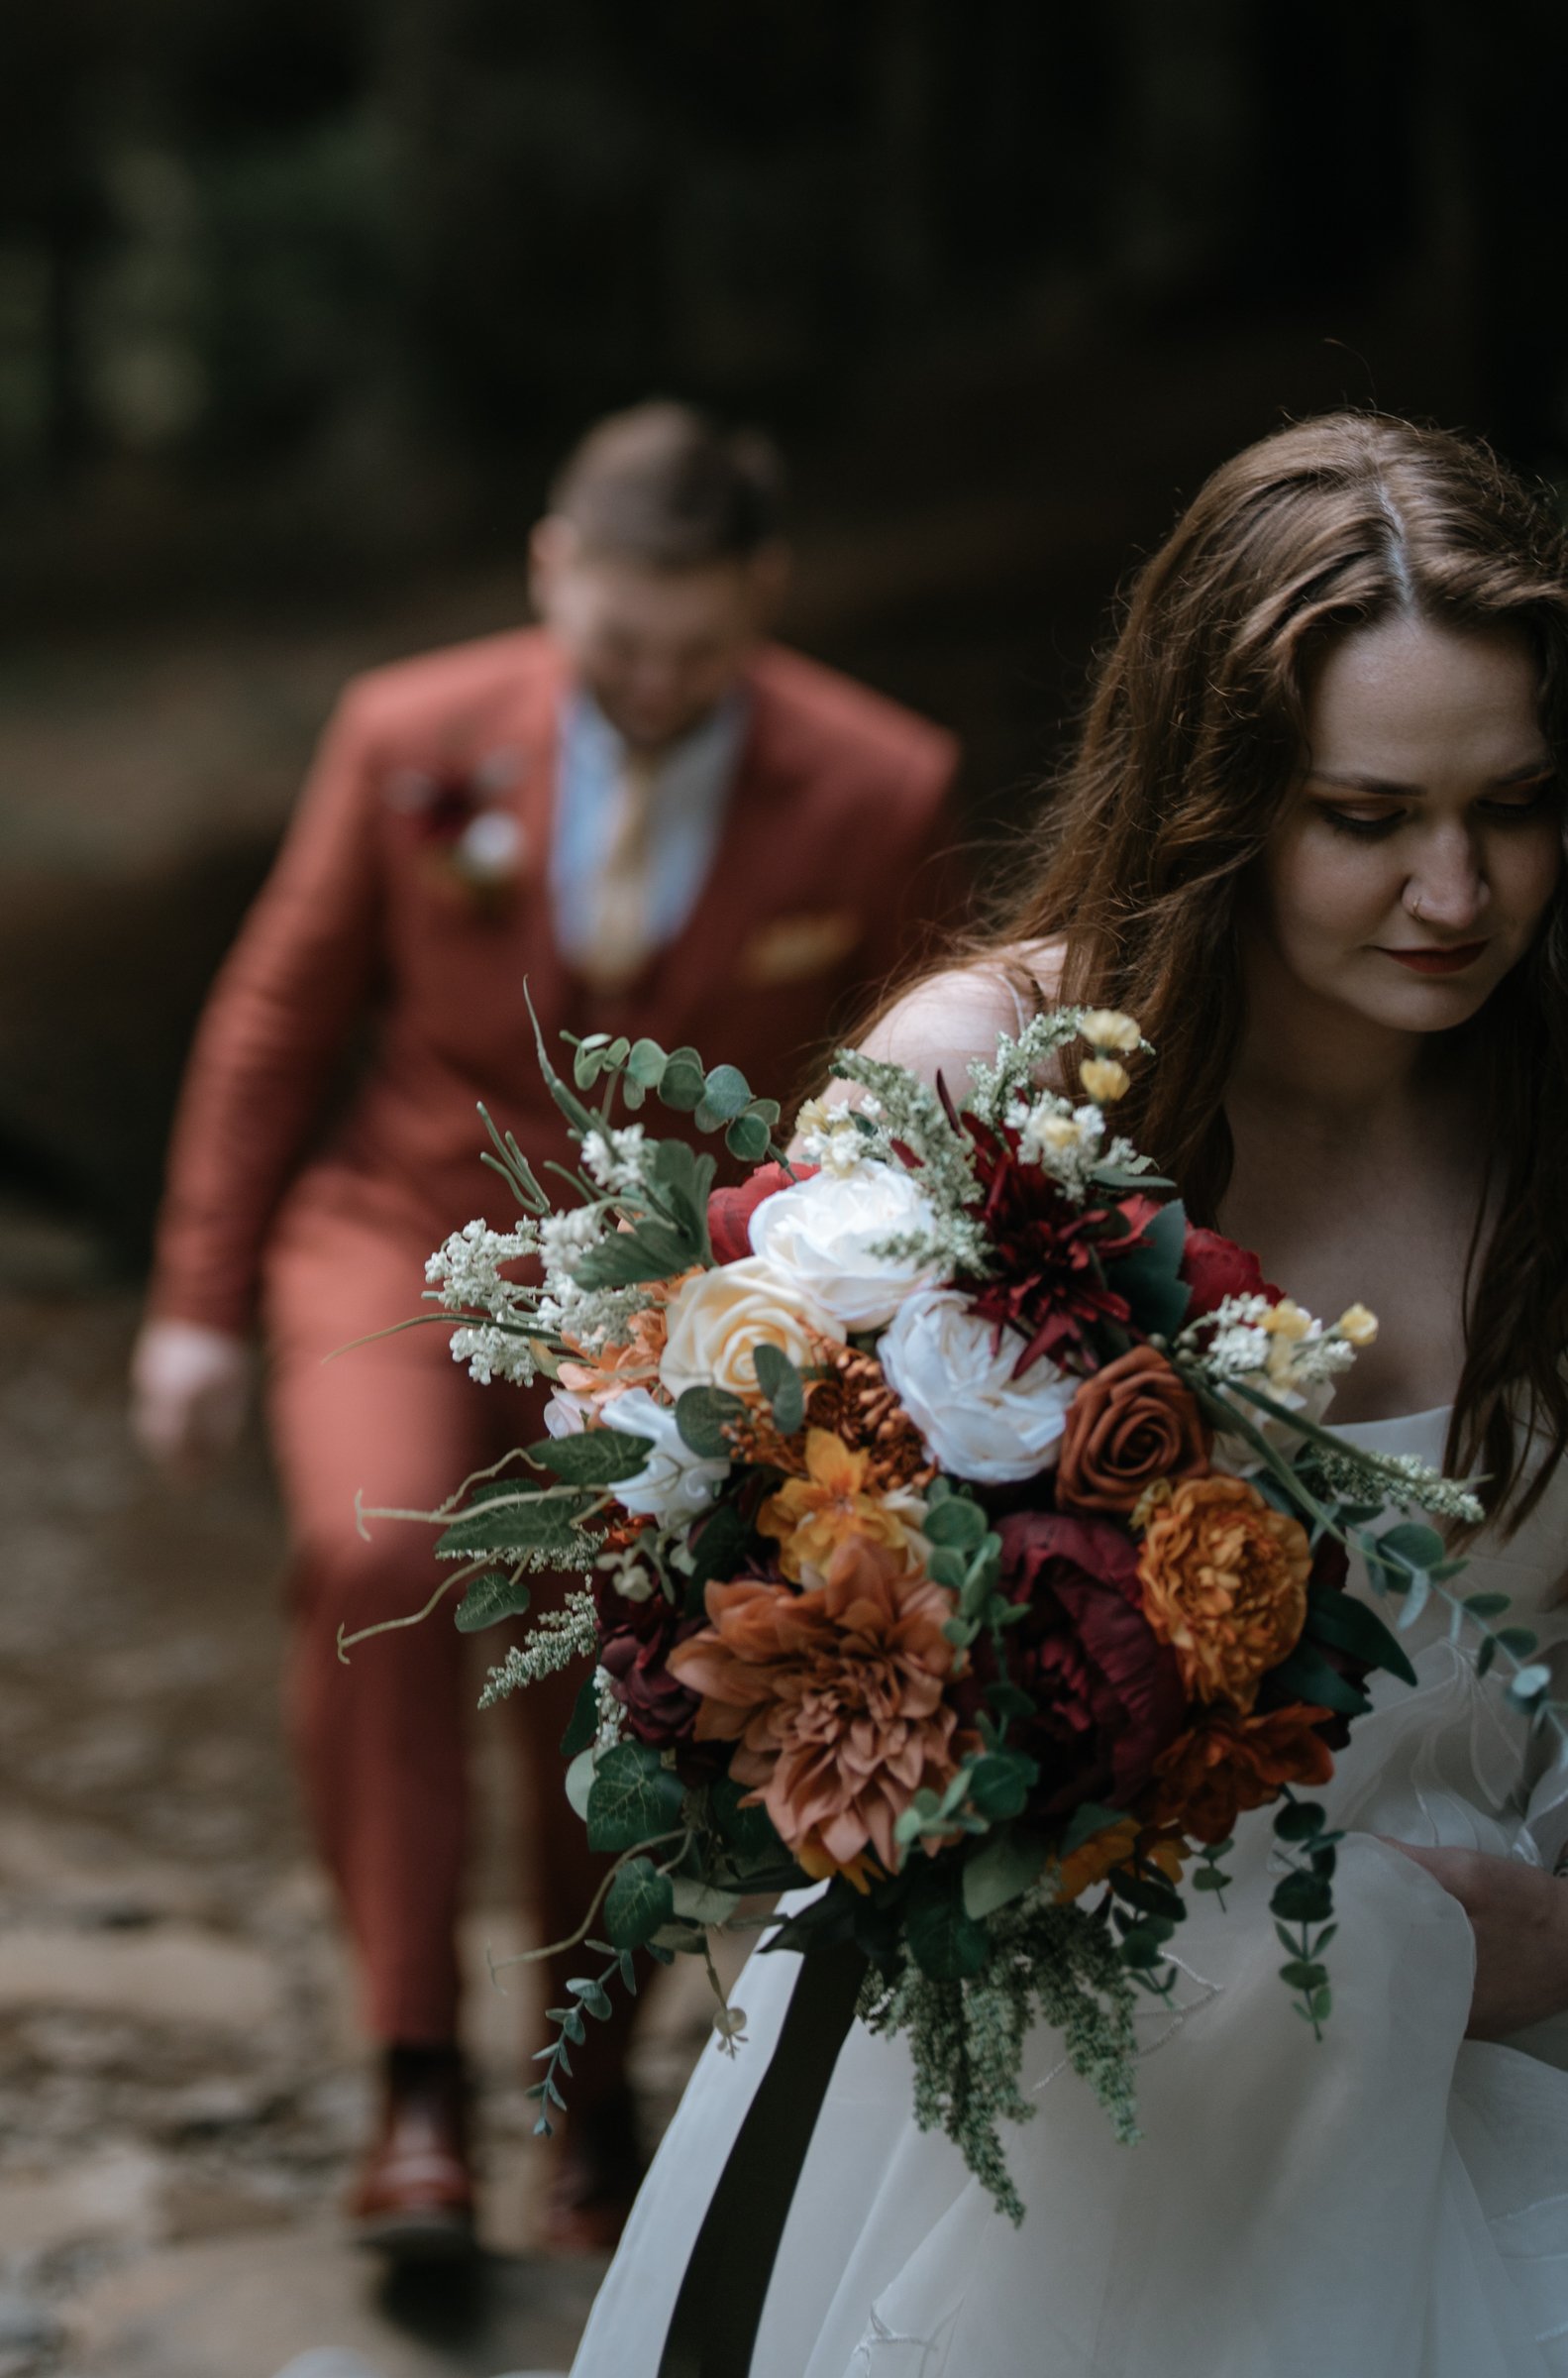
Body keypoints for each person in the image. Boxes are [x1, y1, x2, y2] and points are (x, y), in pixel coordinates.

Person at [568, 411, 1568, 2377]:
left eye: (1518, 807)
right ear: (1221, 797)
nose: (1456, 892)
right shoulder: (987, 1088)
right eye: (1369, 819)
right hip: (1035, 2063)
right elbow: (768, 1598)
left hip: (1499, 2035)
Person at [128, 400, 962, 2259]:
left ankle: (589, 2098)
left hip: (693, 1280)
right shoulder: (405, 736)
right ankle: (413, 2077)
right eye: (615, 641)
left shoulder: (883, 783)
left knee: (637, 1656)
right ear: (549, 572)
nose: (652, 684)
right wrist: (195, 1306)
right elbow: (275, 1015)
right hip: (398, 1232)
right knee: (372, 1560)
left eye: (695, 646)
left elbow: (913, 1086)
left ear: (764, 595)